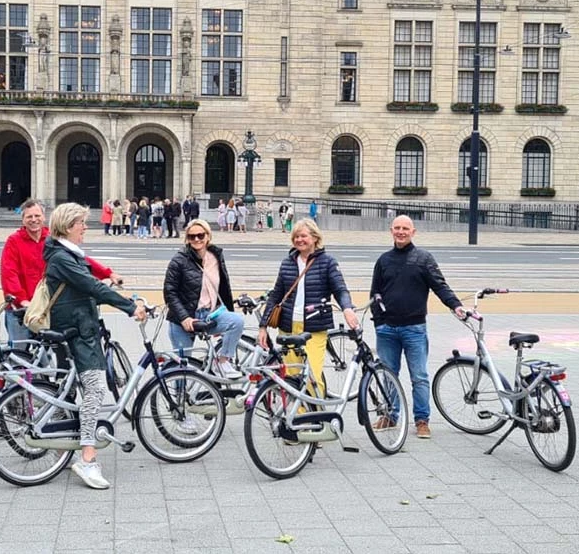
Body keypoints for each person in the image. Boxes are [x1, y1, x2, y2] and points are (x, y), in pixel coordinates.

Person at [43, 203, 147, 489]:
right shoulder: (63, 258)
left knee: (75, 390)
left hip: (80, 327)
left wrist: (107, 288)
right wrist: (129, 307)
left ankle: (64, 445)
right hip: (77, 331)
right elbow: (90, 286)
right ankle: (87, 458)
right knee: (96, 389)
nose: (85, 228)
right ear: (67, 226)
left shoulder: (67, 255)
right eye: (81, 223)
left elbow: (86, 287)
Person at [370, 215, 467, 440]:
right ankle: (391, 415)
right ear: (391, 231)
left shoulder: (423, 258)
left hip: (414, 328)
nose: (401, 232)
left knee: (419, 377)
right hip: (387, 329)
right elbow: (375, 293)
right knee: (388, 374)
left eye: (405, 228)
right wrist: (379, 321)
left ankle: (422, 420)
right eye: (397, 228)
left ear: (413, 232)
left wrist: (456, 306)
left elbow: (440, 286)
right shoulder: (383, 260)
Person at [257, 219, 359, 397]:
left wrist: (347, 308)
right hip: (288, 326)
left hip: (314, 327)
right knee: (291, 376)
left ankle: (318, 418)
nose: (299, 240)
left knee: (312, 374)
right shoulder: (287, 262)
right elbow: (276, 295)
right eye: (296, 236)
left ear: (314, 237)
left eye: (303, 236)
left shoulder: (327, 262)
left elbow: (340, 289)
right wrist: (263, 326)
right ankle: (299, 420)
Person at [0, 199, 121, 342]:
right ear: (23, 220)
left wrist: (108, 273)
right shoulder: (14, 241)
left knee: (49, 353)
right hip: (21, 310)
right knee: (20, 355)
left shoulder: (52, 239)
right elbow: (9, 274)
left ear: (44, 217)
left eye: (37, 216)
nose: (34, 220)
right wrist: (23, 301)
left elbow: (78, 261)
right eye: (29, 217)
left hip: (46, 308)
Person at [163, 220, 245, 380]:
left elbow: (223, 287)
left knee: (236, 322)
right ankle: (181, 401)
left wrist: (225, 309)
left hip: (209, 315)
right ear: (187, 239)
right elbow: (169, 292)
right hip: (183, 319)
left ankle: (221, 361)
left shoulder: (216, 257)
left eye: (200, 235)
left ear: (208, 236)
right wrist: (184, 317)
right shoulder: (179, 260)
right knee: (182, 370)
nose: (196, 240)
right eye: (191, 236)